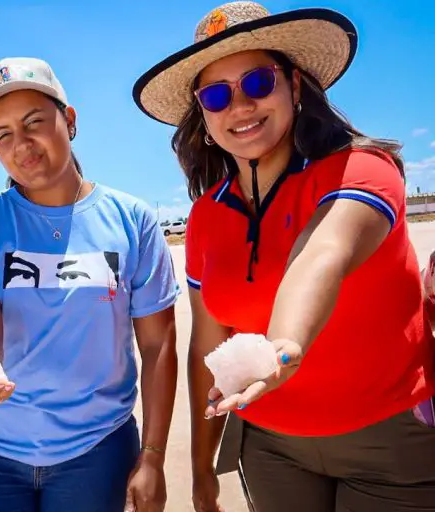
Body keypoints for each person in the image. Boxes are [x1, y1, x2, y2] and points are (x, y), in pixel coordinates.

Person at [132, 2, 435, 512]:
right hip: (270, 446)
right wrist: (202, 468)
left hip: (390, 438)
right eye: (216, 95)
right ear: (204, 119)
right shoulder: (206, 217)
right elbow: (208, 341)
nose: (240, 106)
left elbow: (322, 254)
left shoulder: (361, 168)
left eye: (257, 83)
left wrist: (285, 346)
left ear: (295, 87)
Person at [0, 57, 180, 512]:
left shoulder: (132, 220)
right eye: (3, 135)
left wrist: (152, 457)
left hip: (97, 452)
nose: (22, 144)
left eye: (35, 123)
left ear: (68, 121)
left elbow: (157, 346)